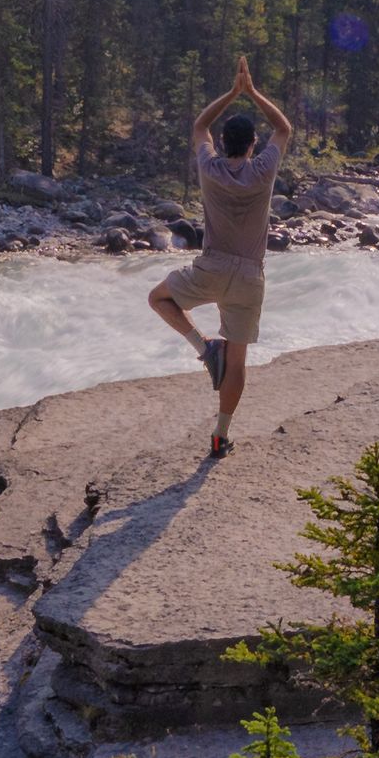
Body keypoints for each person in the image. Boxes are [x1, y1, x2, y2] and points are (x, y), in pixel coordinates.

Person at [150, 57, 295, 458]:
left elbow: (199, 127)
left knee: (157, 299)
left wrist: (231, 93)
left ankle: (202, 347)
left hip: (210, 268)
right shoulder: (263, 170)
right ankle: (220, 434)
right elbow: (283, 129)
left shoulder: (209, 168)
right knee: (238, 361)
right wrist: (252, 92)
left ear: (223, 144)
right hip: (249, 277)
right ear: (251, 146)